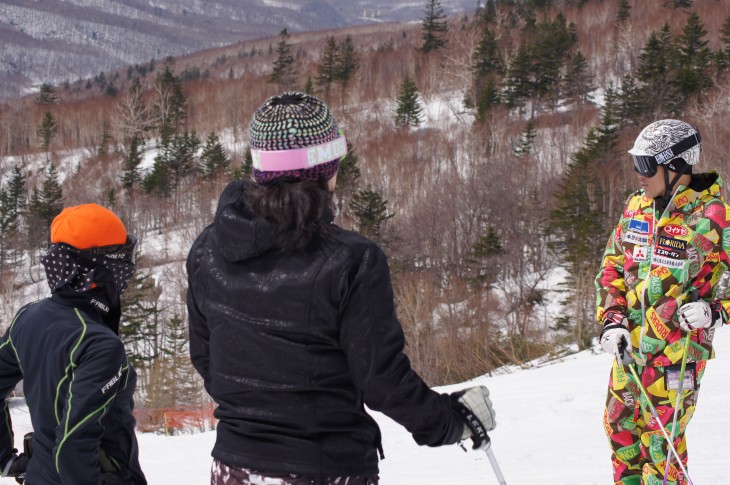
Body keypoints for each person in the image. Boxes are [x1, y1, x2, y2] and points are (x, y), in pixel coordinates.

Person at [186, 92, 497, 485]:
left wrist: (256, 411)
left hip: (233, 466)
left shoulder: (208, 248)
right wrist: (450, 422)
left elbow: (207, 360)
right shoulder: (351, 260)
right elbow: (382, 381)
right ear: (326, 170)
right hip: (324, 467)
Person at [596, 119, 730, 485]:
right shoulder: (637, 208)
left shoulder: (714, 218)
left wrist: (715, 312)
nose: (638, 175)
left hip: (677, 356)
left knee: (661, 442)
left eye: (645, 165)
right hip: (630, 349)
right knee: (619, 428)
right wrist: (612, 318)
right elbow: (612, 267)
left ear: (675, 166)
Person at [0, 204, 147, 485]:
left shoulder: (28, 318)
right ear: (104, 269)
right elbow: (72, 446)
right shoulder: (99, 344)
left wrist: (4, 459)